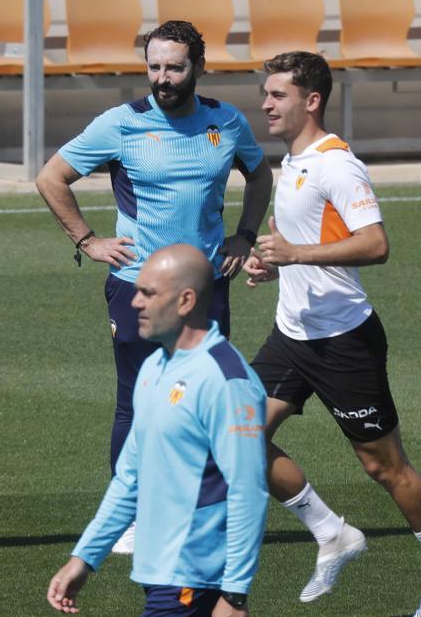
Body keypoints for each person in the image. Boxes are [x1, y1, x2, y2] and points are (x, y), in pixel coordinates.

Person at [242, 51, 421, 617]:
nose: (265, 104)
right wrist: (276, 263)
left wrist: (297, 253)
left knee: (384, 467)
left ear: (311, 101)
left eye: (277, 95)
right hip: (291, 336)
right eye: (266, 94)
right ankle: (331, 532)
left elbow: (375, 244)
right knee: (236, 437)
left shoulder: (337, 165)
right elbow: (307, 244)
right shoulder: (292, 159)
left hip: (344, 341)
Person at [36, 20, 272, 553]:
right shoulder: (120, 124)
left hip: (207, 288)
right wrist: (88, 239)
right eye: (154, 67)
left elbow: (259, 175)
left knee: (205, 401)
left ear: (198, 68)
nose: (162, 78)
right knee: (137, 403)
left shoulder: (226, 123)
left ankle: (200, 511)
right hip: (137, 287)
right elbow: (51, 177)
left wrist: (245, 235)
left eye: (174, 67)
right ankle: (132, 517)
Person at [47, 244, 269, 616]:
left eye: (149, 293)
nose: (135, 303)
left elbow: (249, 489)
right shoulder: (154, 369)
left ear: (185, 300)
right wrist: (84, 557)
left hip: (195, 574)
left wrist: (235, 594)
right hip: (158, 569)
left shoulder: (227, 380)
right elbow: (129, 478)